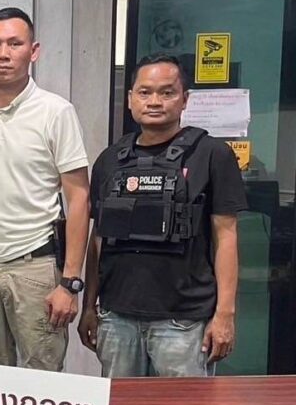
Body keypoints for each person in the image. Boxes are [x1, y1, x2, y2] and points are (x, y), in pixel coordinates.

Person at [79, 53, 246, 377]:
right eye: (145, 92)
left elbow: (226, 237)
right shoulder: (110, 160)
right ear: (131, 98)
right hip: (117, 318)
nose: (154, 101)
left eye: (167, 92)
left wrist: (225, 314)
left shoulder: (212, 154)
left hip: (184, 322)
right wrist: (89, 306)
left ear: (185, 99)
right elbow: (98, 240)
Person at [0, 7, 90, 371]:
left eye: (15, 44)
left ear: (34, 51)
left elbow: (79, 197)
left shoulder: (56, 111)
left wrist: (70, 282)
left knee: (41, 380)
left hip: (35, 266)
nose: (3, 53)